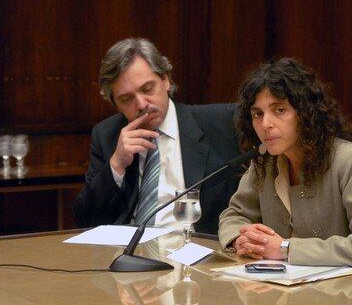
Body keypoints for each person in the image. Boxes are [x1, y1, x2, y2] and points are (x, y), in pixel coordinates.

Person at [218, 57, 352, 267]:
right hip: (276, 288)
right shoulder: (265, 161)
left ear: (306, 113)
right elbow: (234, 215)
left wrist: (285, 249)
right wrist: (241, 239)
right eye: (257, 114)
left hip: (339, 293)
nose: (265, 124)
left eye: (279, 110)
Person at [73, 38, 242, 234]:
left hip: (196, 250)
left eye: (147, 89)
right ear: (115, 105)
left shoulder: (220, 123)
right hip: (128, 252)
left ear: (166, 80)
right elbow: (85, 219)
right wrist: (116, 166)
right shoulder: (107, 135)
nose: (142, 104)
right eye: (127, 99)